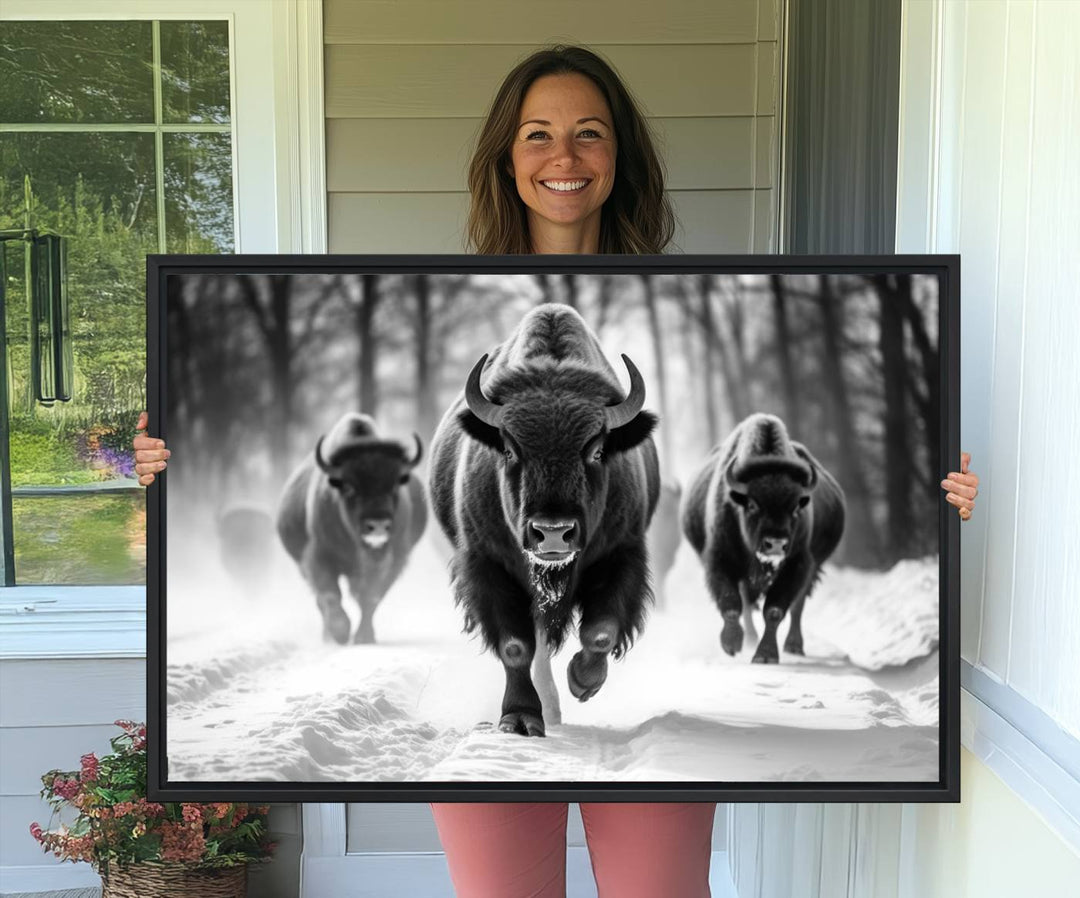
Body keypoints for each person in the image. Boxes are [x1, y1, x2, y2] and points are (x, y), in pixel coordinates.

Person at [134, 44, 980, 898]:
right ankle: (519, 658)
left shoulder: (652, 370)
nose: (563, 157)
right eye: (537, 134)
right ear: (506, 158)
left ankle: (596, 638)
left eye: (590, 134)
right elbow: (472, 548)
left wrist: (954, 499)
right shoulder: (465, 382)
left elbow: (629, 543)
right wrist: (158, 465)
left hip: (601, 567)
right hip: (497, 638)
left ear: (621, 158)